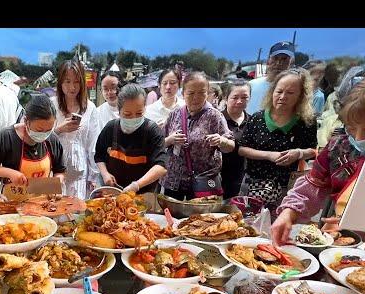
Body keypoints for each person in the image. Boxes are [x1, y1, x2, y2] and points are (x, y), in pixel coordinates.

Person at [271, 45, 365, 245]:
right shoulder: (340, 146)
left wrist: (357, 227)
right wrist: (289, 212)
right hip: (342, 251)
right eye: (352, 127)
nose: (359, 137)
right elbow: (311, 187)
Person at [238, 68, 318, 211]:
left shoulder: (307, 121)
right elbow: (242, 149)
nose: (283, 97)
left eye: (290, 93)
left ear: (301, 96)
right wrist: (268, 155)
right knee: (251, 226)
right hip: (255, 186)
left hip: (288, 188)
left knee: (281, 228)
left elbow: (313, 150)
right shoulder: (257, 118)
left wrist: (298, 153)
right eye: (279, 91)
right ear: (272, 92)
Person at [161, 72, 235, 200]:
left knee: (200, 218)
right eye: (191, 93)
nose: (196, 97)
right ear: (183, 94)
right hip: (174, 181)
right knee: (172, 216)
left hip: (203, 182)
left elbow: (231, 146)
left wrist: (221, 141)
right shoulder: (175, 114)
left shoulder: (214, 116)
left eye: (202, 92)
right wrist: (170, 140)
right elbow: (159, 144)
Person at [95, 83, 168, 193]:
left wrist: (136, 185)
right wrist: (105, 174)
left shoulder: (152, 131)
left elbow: (161, 166)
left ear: (145, 108)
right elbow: (99, 156)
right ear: (119, 111)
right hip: (114, 191)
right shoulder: (111, 128)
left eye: (139, 113)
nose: (133, 118)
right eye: (127, 114)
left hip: (144, 194)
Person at [0, 95, 66, 187]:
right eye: (39, 130)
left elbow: (60, 171)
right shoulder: (7, 137)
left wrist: (56, 185)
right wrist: (10, 173)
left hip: (43, 197)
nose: (44, 134)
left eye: (48, 130)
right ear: (26, 121)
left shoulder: (52, 139)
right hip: (13, 199)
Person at [51, 60, 100, 199]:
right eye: (67, 81)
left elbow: (93, 144)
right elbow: (40, 136)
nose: (72, 87)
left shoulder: (90, 108)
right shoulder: (51, 105)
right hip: (55, 167)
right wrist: (59, 129)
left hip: (79, 169)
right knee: (54, 207)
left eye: (76, 82)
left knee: (76, 210)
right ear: (60, 82)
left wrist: (93, 175)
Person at [221, 80, 251, 198]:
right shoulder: (216, 119)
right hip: (219, 178)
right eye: (235, 97)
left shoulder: (253, 120)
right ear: (226, 98)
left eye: (244, 97)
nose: (239, 101)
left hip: (243, 178)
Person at [246, 41, 295, 115]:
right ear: (269, 60)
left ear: (291, 63)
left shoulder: (294, 89)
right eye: (275, 58)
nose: (279, 63)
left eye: (284, 59)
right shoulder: (251, 85)